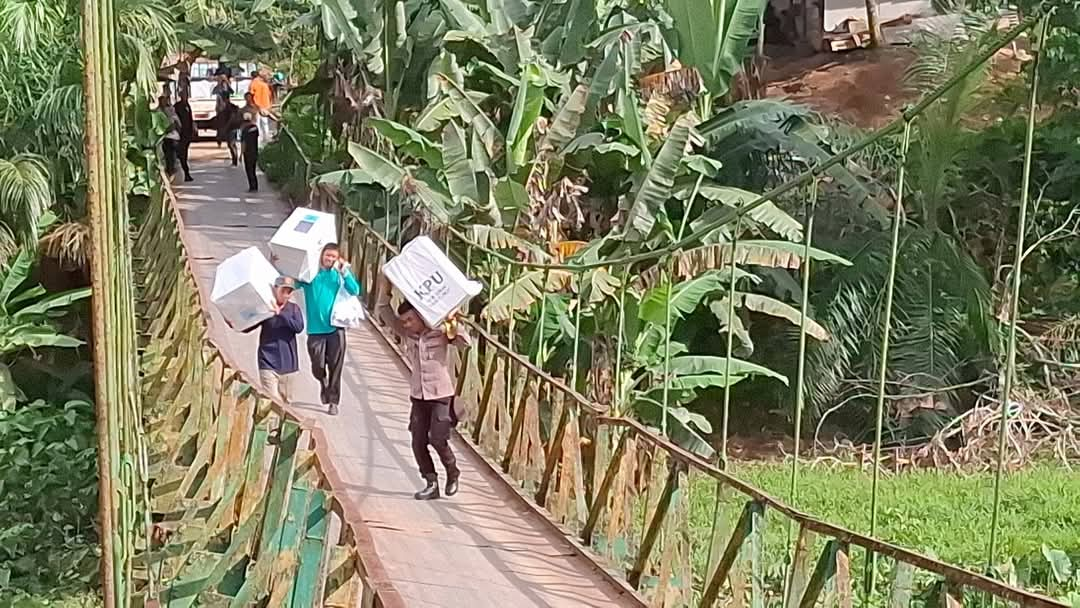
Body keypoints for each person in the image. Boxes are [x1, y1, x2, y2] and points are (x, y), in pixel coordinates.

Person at [376, 278, 470, 500]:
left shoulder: (440, 331)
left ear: (420, 316)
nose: (406, 324)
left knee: (437, 438)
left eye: (410, 319)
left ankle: (452, 471)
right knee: (418, 440)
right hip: (418, 395)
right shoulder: (407, 332)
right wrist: (387, 285)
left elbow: (465, 343)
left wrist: (452, 323)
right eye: (404, 321)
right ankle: (431, 482)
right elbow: (382, 309)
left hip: (441, 395)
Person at [294, 244, 361, 416]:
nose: (330, 259)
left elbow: (355, 290)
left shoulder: (338, 277)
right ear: (321, 255)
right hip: (316, 330)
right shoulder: (312, 275)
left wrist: (345, 271)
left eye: (333, 257)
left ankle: (333, 400)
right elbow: (293, 283)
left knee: (336, 366)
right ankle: (322, 381)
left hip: (336, 328)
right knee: (317, 365)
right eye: (327, 255)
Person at [230, 276, 305, 406]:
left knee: (286, 405)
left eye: (289, 292)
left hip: (289, 365)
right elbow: (249, 325)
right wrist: (235, 323)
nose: (286, 295)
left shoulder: (293, 309)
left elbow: (298, 327)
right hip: (267, 361)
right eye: (283, 290)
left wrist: (280, 314)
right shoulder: (265, 307)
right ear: (275, 289)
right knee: (272, 402)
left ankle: (277, 426)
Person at [173, 90, 195, 182]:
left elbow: (190, 118)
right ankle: (186, 173)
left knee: (184, 154)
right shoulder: (177, 106)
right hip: (180, 134)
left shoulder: (187, 105)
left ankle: (186, 173)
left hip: (187, 134)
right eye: (183, 95)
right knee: (182, 154)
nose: (185, 97)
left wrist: (193, 128)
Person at [249, 69, 273, 145]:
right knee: (265, 124)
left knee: (257, 125)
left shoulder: (253, 83)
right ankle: (266, 140)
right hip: (265, 107)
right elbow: (270, 95)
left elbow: (250, 95)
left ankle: (258, 142)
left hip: (257, 107)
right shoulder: (264, 85)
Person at [159, 95, 180, 177]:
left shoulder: (170, 110)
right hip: (164, 137)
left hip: (172, 137)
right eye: (162, 101)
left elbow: (176, 122)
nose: (164, 103)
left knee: (172, 154)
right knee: (167, 155)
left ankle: (171, 169)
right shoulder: (158, 112)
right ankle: (169, 170)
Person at [240, 111, 260, 192]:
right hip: (255, 150)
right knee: (253, 169)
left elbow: (243, 143)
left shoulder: (244, 129)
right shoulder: (255, 128)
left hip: (247, 152)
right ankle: (255, 185)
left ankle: (252, 187)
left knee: (249, 170)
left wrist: (241, 153)